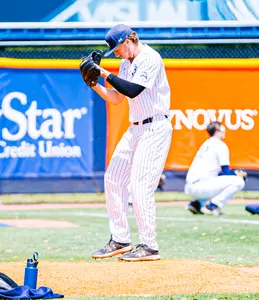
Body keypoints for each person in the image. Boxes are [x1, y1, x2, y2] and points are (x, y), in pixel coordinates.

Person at [79, 24, 173, 262]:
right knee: (112, 178)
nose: (117, 54)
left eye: (118, 49)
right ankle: (120, 239)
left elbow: (133, 91)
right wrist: (94, 85)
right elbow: (116, 98)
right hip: (136, 128)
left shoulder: (150, 57)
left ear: (129, 40)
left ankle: (149, 246)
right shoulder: (125, 64)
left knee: (140, 187)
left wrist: (102, 73)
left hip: (155, 127)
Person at [184, 121, 247, 216]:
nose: (224, 132)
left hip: (190, 187)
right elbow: (225, 171)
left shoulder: (206, 143)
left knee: (218, 183)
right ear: (217, 132)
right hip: (202, 185)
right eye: (223, 130)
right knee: (239, 181)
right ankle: (212, 206)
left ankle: (197, 204)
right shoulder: (220, 145)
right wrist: (238, 174)